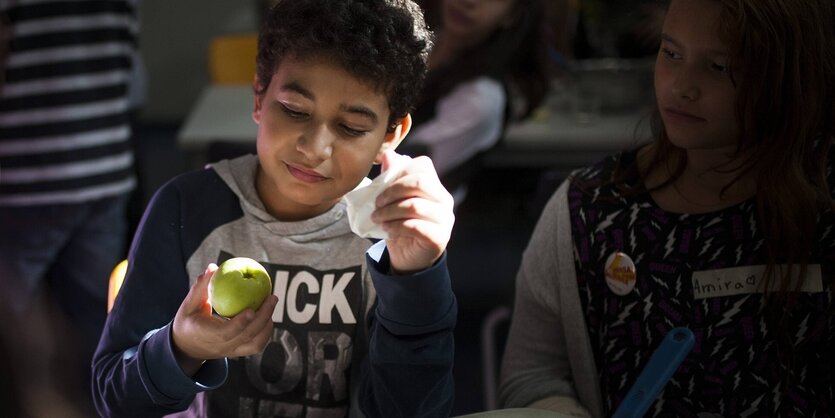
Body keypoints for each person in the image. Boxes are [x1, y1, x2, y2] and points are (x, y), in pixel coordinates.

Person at [92, 0, 458, 417]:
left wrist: (414, 280)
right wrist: (181, 348)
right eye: (294, 110)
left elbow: (414, 410)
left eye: (352, 127)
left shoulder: (393, 236)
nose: (315, 148)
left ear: (392, 134)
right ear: (259, 97)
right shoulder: (186, 209)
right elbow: (114, 398)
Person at [499, 0, 835, 416]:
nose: (681, 86)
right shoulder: (592, 210)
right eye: (671, 53)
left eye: (719, 67)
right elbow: (531, 373)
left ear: (789, 78)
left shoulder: (823, 206)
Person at [0, 0, 139, 414]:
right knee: (95, 316)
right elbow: (129, 72)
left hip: (26, 174)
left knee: (12, 327)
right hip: (105, 167)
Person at [405, 0, 550, 198]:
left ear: (511, 16)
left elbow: (400, 164)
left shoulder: (480, 98)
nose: (469, 2)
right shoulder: (415, 40)